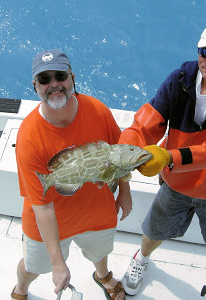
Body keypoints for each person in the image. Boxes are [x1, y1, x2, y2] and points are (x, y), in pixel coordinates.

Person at [119, 21, 206, 299]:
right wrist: (124, 154)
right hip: (176, 182)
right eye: (204, 52)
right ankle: (142, 259)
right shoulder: (180, 78)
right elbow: (146, 124)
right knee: (154, 229)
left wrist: (168, 157)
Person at [11, 49, 131, 300]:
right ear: (35, 86)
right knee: (34, 266)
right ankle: (21, 288)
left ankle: (103, 275)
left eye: (60, 76)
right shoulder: (29, 136)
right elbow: (41, 206)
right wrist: (57, 263)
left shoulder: (98, 110)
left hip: (96, 209)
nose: (54, 85)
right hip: (47, 220)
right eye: (44, 79)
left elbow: (119, 156)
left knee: (100, 251)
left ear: (72, 77)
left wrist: (125, 192)